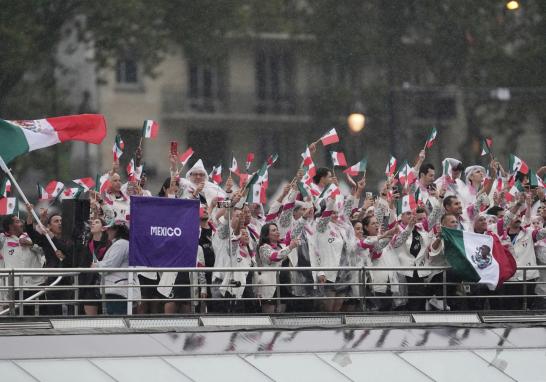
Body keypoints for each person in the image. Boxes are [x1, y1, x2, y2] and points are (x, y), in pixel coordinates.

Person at [25, 206, 73, 315]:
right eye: (56, 221)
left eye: (61, 221)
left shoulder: (69, 238)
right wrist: (30, 214)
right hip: (53, 278)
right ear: (49, 226)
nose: (60, 223)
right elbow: (31, 233)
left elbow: (68, 251)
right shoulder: (46, 239)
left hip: (68, 279)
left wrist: (64, 256)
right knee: (54, 310)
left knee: (69, 311)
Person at [0, 214, 45, 315]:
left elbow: (44, 250)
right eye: (17, 221)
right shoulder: (3, 240)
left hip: (35, 285)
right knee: (16, 318)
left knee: (38, 317)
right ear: (10, 226)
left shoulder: (31, 236)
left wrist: (31, 245)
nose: (21, 223)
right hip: (15, 286)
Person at [256, 222, 299, 313]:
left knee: (281, 314)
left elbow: (293, 234)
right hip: (269, 284)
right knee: (269, 313)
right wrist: (290, 247)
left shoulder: (281, 245)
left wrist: (303, 218)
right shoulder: (263, 247)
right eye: (273, 230)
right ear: (266, 235)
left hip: (283, 283)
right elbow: (274, 257)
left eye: (277, 230)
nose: (277, 232)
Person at [93, 221, 131, 315]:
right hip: (117, 289)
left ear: (116, 230)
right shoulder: (120, 243)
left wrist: (96, 265)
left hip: (118, 290)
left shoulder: (121, 244)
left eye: (109, 229)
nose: (107, 231)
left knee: (116, 321)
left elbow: (110, 265)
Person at [78, 218, 110, 315]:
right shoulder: (87, 243)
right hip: (89, 283)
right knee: (91, 316)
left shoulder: (109, 244)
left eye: (97, 222)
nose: (93, 224)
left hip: (104, 282)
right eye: (92, 222)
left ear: (103, 228)